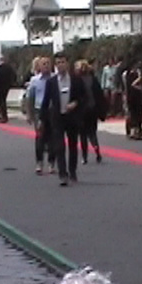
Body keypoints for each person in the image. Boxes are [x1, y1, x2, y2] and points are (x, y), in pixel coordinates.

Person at [40, 52, 86, 186]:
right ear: (55, 65)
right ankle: (62, 174)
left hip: (72, 117)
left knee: (72, 145)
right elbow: (46, 101)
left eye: (63, 62)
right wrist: (41, 119)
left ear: (67, 64)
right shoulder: (51, 82)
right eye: (58, 63)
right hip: (57, 117)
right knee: (59, 146)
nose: (61, 65)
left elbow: (83, 97)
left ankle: (72, 171)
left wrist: (75, 104)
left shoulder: (76, 80)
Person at [27, 56, 56, 174]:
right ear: (39, 66)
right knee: (40, 138)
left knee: (53, 139)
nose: (46, 66)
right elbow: (30, 98)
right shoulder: (35, 80)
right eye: (43, 64)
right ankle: (39, 162)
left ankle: (51, 163)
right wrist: (30, 114)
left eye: (48, 63)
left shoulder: (55, 78)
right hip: (39, 111)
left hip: (52, 110)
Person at [75, 59, 106, 164]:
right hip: (93, 109)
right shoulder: (93, 79)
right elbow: (100, 95)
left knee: (83, 134)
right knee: (92, 132)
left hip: (82, 110)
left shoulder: (77, 81)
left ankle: (84, 156)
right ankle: (97, 150)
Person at [0, 56, 16, 123]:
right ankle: (3, 115)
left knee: (0, 102)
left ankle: (3, 115)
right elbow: (14, 75)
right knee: (3, 101)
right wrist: (11, 83)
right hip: (6, 87)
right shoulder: (9, 68)